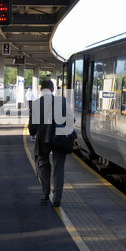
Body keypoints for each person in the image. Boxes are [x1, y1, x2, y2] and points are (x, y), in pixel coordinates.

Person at [29, 79, 73, 207]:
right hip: (60, 138)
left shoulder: (36, 104)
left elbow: (32, 128)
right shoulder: (62, 101)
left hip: (43, 139)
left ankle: (45, 193)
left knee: (43, 164)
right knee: (59, 166)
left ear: (41, 89)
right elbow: (72, 119)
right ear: (53, 89)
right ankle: (57, 197)